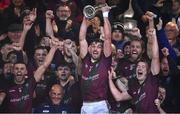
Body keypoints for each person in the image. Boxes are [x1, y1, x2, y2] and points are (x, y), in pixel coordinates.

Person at [0, 38, 59, 113]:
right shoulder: (8, 85)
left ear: (26, 71)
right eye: (17, 69)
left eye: (22, 69)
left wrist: (53, 48)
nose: (19, 71)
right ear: (13, 71)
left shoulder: (31, 83)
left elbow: (45, 65)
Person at [109, 28, 160, 113]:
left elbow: (155, 56)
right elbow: (118, 97)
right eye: (132, 47)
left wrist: (154, 36)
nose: (139, 68)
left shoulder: (151, 79)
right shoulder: (134, 87)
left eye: (143, 67)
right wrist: (110, 78)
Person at [79, 5, 112, 113]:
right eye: (93, 46)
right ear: (89, 49)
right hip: (85, 104)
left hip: (100, 105)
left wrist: (105, 15)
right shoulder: (85, 59)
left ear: (102, 50)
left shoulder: (105, 60)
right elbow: (82, 38)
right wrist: (85, 16)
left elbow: (107, 38)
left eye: (99, 47)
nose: (96, 49)